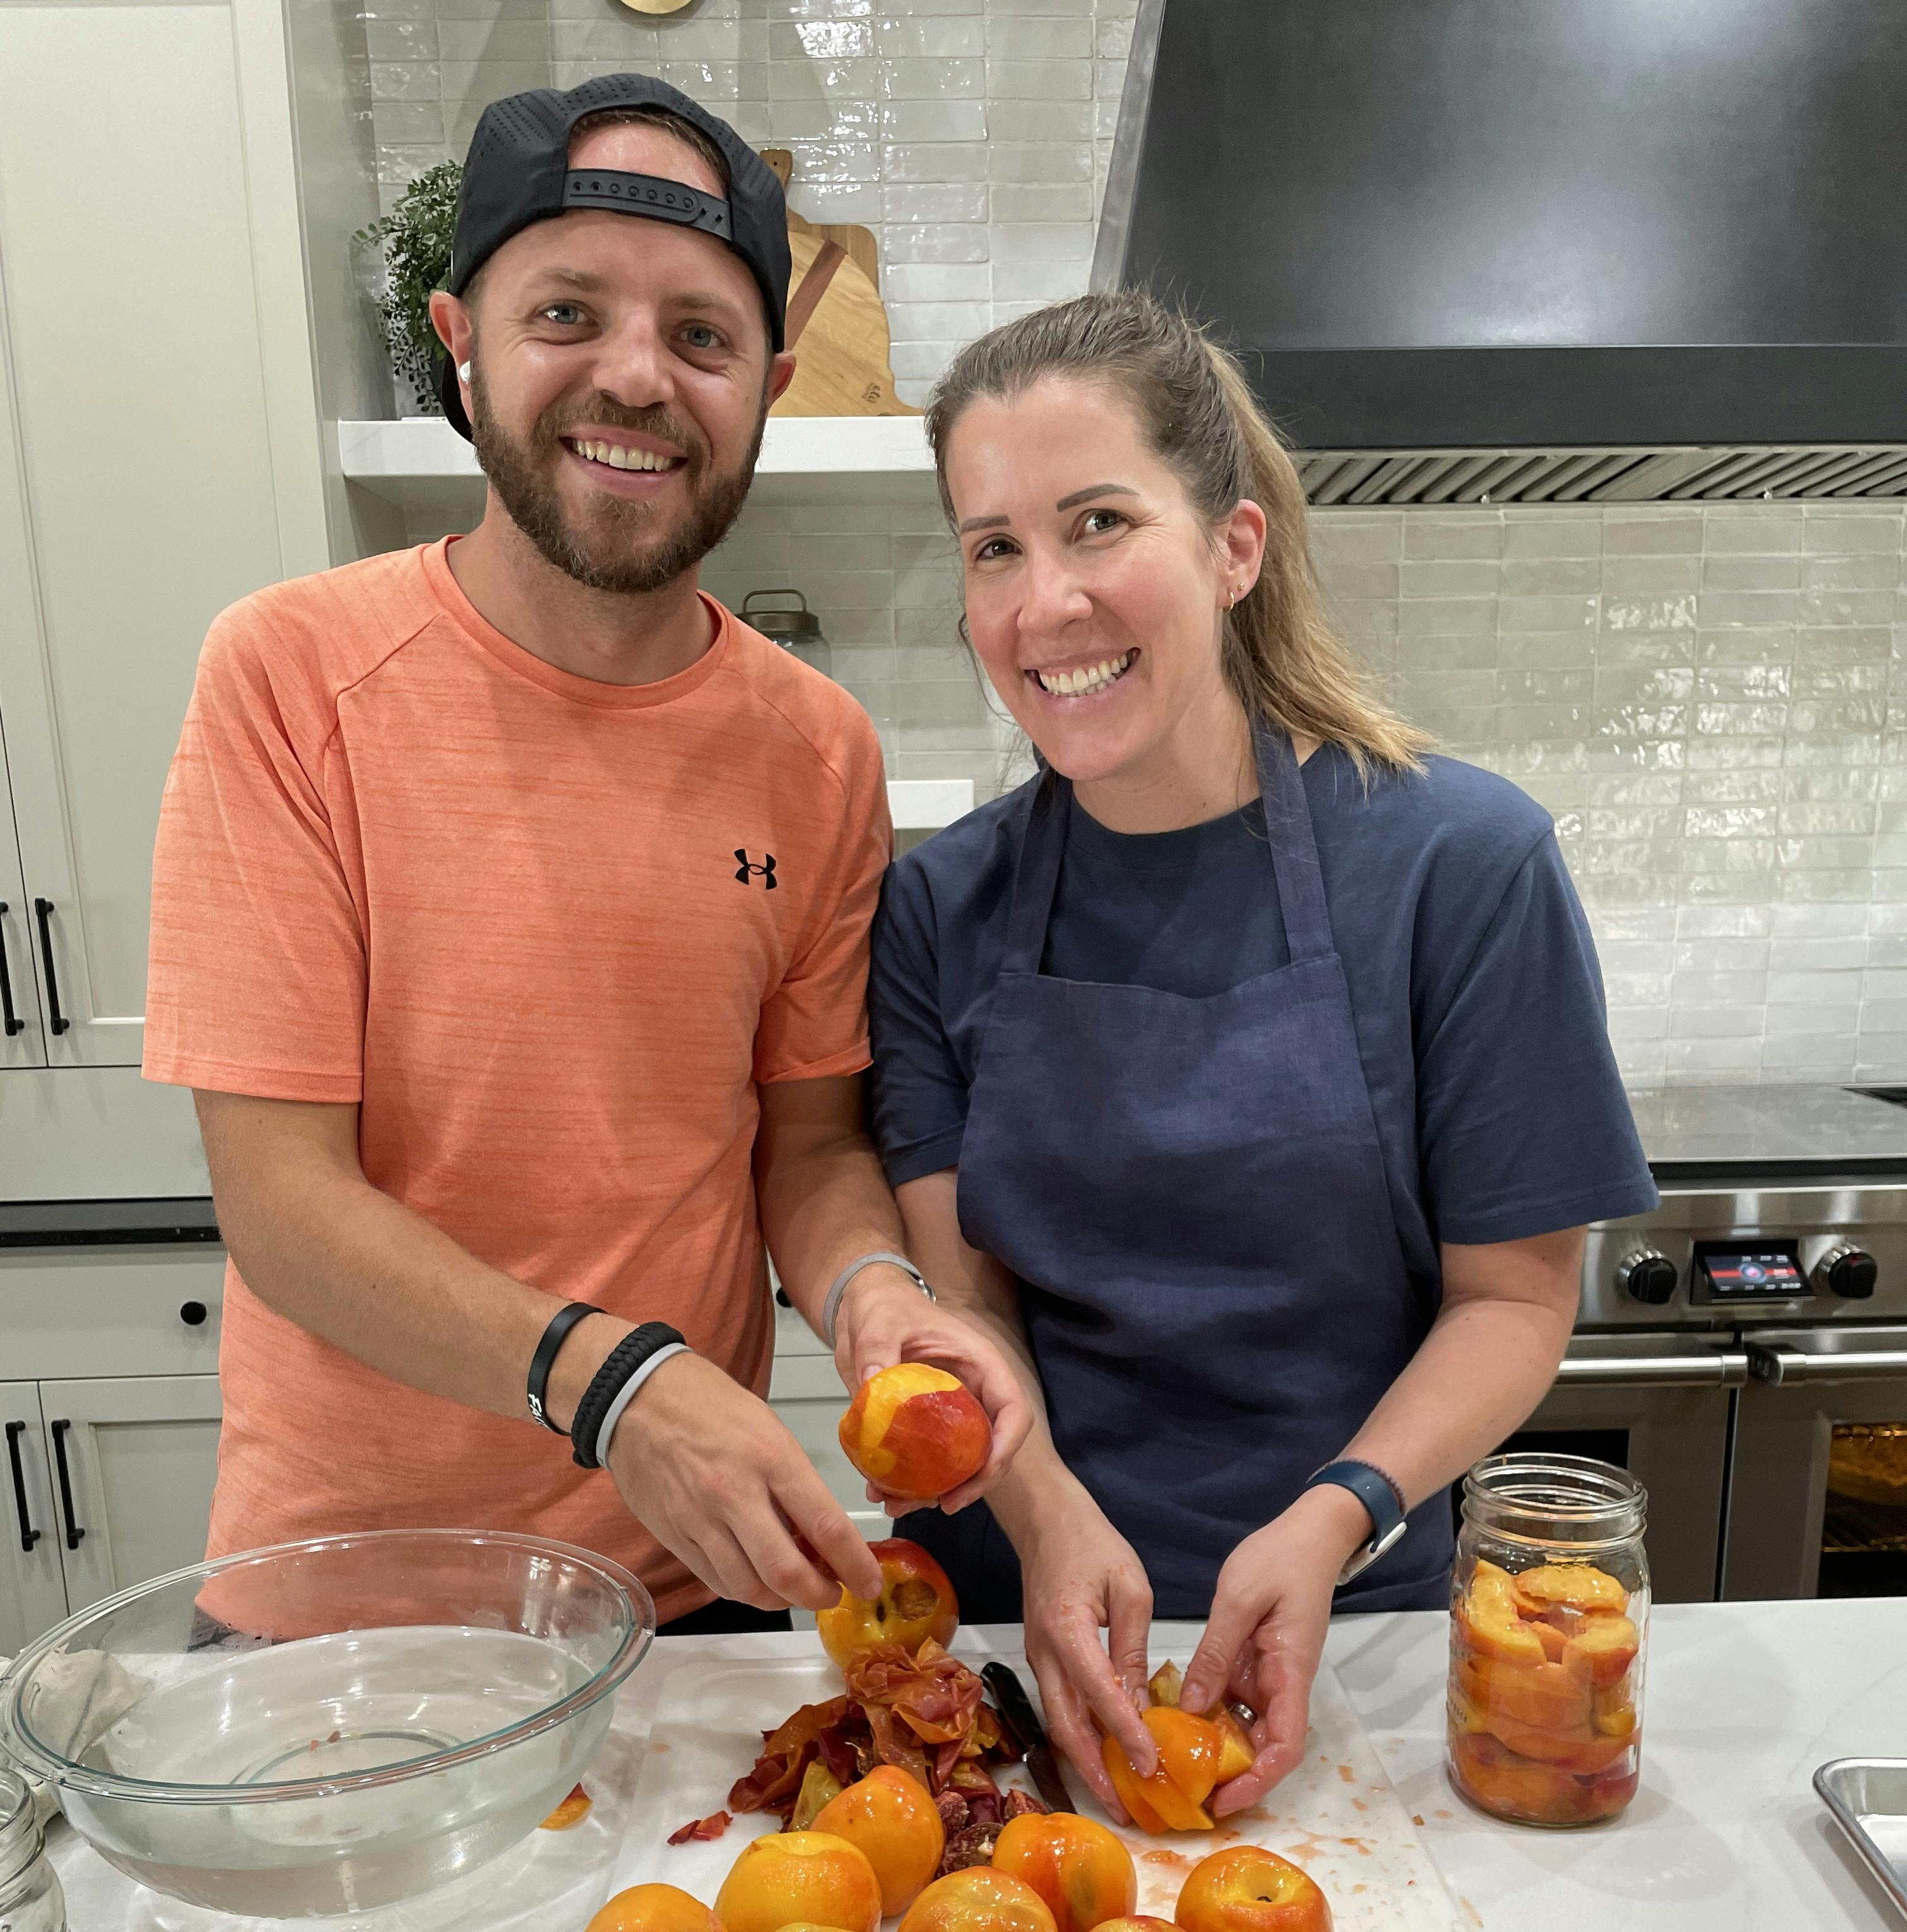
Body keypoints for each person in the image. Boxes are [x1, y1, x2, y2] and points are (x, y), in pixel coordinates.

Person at [143, 76, 1029, 1633]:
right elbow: (280, 1205)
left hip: (684, 1599)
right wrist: (611, 1385)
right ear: (460, 340)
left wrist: (873, 1294)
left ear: (767, 386)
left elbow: (808, 1149)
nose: (635, 377)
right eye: (567, 312)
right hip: (344, 1613)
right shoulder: (290, 677)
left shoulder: (818, 752)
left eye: (702, 336)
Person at [868, 293, 1658, 1812]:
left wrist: (1334, 1515)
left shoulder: (1460, 866)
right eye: (994, 547)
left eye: (1100, 524)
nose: (1044, 603)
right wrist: (1044, 1521)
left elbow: (1513, 1299)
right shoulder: (936, 907)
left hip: (1353, 1622)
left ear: (1235, 548)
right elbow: (963, 1302)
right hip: (1009, 1632)